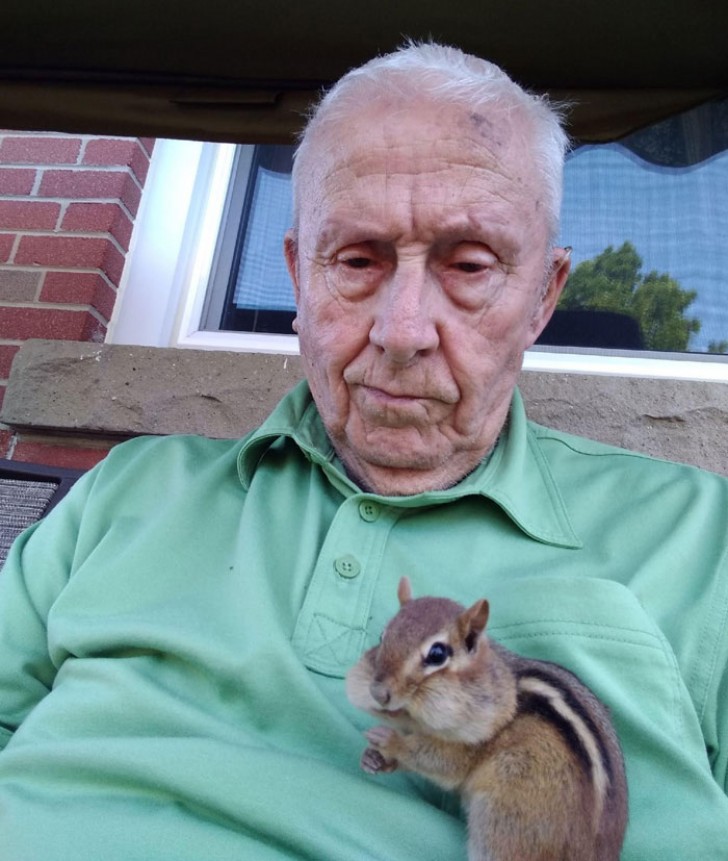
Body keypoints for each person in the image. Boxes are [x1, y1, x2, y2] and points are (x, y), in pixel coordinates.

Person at [0, 42, 726, 861]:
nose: (402, 331)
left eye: (470, 265)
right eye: (355, 260)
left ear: (543, 297)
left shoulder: (705, 540)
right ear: (297, 280)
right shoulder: (129, 489)